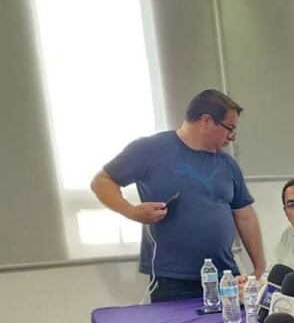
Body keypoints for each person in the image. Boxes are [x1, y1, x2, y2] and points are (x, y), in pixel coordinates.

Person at [91, 89, 266, 302]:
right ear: (206, 121)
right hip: (173, 280)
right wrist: (132, 211)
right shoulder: (150, 150)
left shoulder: (227, 164)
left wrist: (259, 267)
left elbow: (244, 214)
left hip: (225, 276)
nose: (231, 137)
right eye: (229, 129)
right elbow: (101, 182)